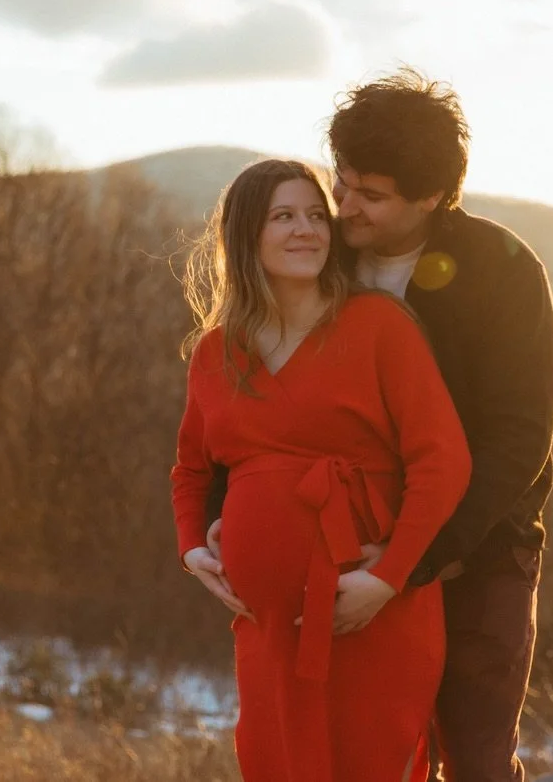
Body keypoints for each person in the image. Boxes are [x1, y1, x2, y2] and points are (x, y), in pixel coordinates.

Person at [202, 69, 553, 782]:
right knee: (357, 754)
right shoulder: (320, 255)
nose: (345, 207)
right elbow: (249, 385)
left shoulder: (501, 271)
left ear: (430, 195)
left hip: (475, 553)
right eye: (343, 181)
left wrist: (412, 562)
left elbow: (519, 438)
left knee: (476, 760)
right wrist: (221, 512)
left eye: (371, 194)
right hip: (336, 553)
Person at [170, 158, 472, 781]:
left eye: (316, 215)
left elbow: (443, 461)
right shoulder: (216, 352)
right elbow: (190, 471)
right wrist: (192, 549)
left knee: (369, 764)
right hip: (267, 627)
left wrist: (388, 577)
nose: (306, 229)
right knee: (276, 763)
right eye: (284, 216)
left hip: (371, 609)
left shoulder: (378, 325)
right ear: (246, 234)